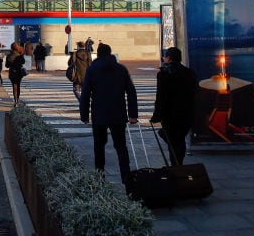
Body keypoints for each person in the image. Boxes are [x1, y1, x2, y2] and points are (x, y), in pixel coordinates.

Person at [79, 43, 138, 185]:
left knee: (99, 146)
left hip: (99, 114)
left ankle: (99, 176)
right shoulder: (121, 69)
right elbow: (131, 92)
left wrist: (84, 115)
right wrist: (133, 114)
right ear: (111, 53)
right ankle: (126, 176)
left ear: (97, 54)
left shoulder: (92, 70)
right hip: (118, 114)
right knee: (121, 146)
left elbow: (85, 94)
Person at [150, 47, 198, 165]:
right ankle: (178, 164)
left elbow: (161, 96)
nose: (164, 59)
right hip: (186, 113)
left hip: (169, 114)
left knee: (172, 140)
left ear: (169, 58)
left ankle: (175, 166)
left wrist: (156, 115)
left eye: (165, 57)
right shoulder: (190, 73)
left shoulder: (163, 74)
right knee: (179, 139)